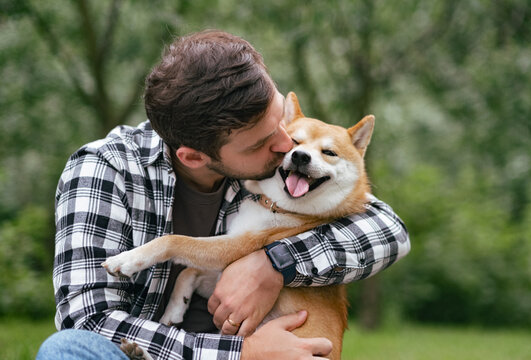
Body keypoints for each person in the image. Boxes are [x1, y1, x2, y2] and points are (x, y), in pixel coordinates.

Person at [37, 30, 410, 360]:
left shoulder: (279, 176)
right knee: (66, 350)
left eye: (280, 121)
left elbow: (389, 231)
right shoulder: (104, 169)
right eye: (264, 143)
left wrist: (275, 264)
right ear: (195, 157)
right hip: (170, 352)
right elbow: (88, 320)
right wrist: (241, 353)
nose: (287, 147)